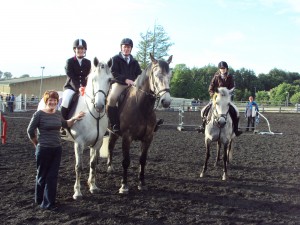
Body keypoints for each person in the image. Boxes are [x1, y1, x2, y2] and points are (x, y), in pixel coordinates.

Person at [27, 90, 85, 211]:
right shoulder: (39, 114)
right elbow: (30, 130)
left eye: (54, 100)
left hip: (56, 149)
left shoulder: (58, 114)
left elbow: (66, 124)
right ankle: (39, 199)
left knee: (52, 176)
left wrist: (75, 117)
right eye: (50, 100)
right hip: (43, 149)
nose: (52, 102)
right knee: (42, 175)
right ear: (46, 101)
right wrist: (36, 143)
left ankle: (49, 202)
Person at [197, 61, 243, 136]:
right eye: (221, 68)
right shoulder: (216, 77)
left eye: (224, 68)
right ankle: (202, 126)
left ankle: (236, 129)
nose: (222, 69)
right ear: (219, 69)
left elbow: (232, 88)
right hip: (217, 98)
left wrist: (228, 95)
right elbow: (211, 88)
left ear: (226, 69)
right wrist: (213, 95)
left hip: (226, 99)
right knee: (204, 110)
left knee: (236, 112)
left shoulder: (230, 77)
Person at [106, 38, 142, 133]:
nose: (126, 49)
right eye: (125, 47)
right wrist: (125, 80)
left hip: (133, 85)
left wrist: (137, 81)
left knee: (144, 96)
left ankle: (147, 121)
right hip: (119, 84)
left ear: (131, 49)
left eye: (128, 47)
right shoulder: (115, 59)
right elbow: (113, 72)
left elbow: (139, 74)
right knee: (112, 98)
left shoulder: (135, 62)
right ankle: (114, 124)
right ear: (121, 48)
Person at [61, 39, 91, 119]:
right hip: (71, 87)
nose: (80, 50)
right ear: (75, 49)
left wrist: (85, 87)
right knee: (65, 101)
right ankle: (63, 123)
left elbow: (88, 76)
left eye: (82, 49)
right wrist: (79, 88)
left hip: (85, 88)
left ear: (85, 50)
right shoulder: (69, 62)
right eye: (78, 48)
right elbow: (71, 77)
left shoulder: (88, 62)